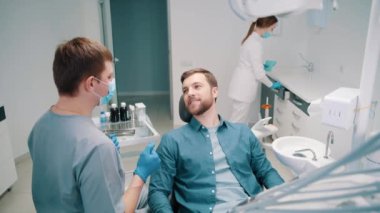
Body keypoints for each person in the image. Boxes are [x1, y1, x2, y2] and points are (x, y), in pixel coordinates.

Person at [27, 37, 160, 213]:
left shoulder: (39, 127)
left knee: (145, 194)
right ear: (91, 83)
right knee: (155, 199)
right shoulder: (97, 146)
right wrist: (140, 174)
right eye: (109, 77)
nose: (112, 83)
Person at [148, 68, 284, 212]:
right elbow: (157, 192)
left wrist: (286, 198)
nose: (190, 93)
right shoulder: (172, 141)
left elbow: (266, 172)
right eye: (185, 90)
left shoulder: (242, 132)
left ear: (215, 92)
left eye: (197, 86)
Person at [228, 16, 282, 124]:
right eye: (272, 28)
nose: (272, 32)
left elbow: (249, 63)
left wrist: (262, 66)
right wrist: (271, 84)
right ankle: (228, 140)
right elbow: (259, 74)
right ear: (266, 26)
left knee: (239, 119)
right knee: (237, 121)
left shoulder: (251, 39)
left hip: (240, 85)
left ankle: (236, 139)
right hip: (243, 87)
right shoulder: (255, 44)